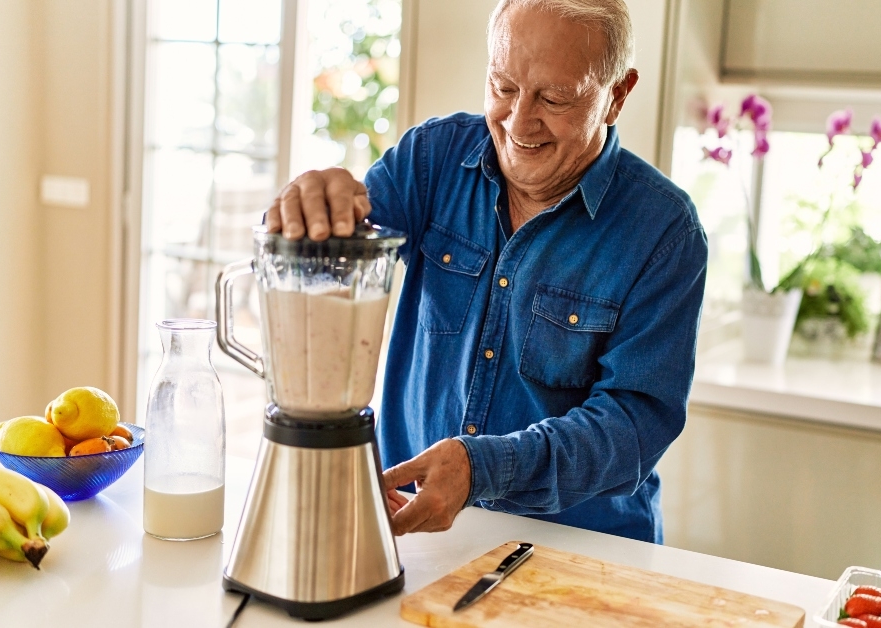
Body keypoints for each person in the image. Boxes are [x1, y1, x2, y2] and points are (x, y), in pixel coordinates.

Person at [264, 0, 707, 544]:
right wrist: (308, 207)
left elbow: (633, 425)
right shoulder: (432, 158)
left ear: (617, 94)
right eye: (503, 87)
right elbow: (336, 252)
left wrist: (483, 468)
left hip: (584, 549)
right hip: (413, 529)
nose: (520, 122)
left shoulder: (665, 231)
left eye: (554, 97)